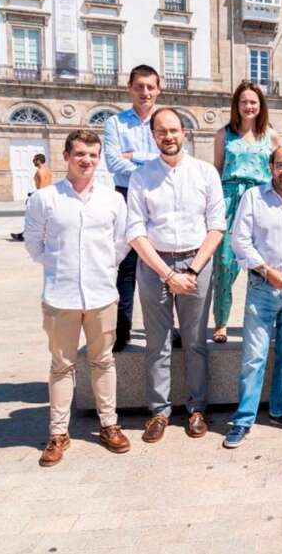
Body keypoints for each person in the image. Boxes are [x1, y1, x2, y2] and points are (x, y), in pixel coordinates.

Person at [23, 130, 130, 466]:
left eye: (93, 155)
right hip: (60, 295)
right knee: (61, 365)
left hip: (101, 294)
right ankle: (58, 433)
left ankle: (109, 425)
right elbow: (33, 244)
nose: (87, 160)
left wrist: (103, 266)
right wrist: (58, 266)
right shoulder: (45, 198)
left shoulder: (112, 199)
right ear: (66, 156)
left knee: (103, 361)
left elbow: (122, 242)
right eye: (80, 154)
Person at [126, 107, 226, 443]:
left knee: (196, 341)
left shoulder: (205, 173)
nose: (168, 136)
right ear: (153, 136)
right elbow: (135, 231)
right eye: (161, 132)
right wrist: (168, 274)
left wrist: (193, 269)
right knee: (157, 343)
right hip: (155, 265)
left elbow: (216, 226)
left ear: (184, 132)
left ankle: (197, 408)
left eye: (173, 130)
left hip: (197, 261)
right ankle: (159, 412)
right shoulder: (142, 177)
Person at [223, 146, 282, 448]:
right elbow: (239, 240)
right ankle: (243, 418)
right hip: (263, 287)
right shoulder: (253, 197)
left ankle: (280, 408)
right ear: (271, 166)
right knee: (254, 356)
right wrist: (266, 270)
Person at [211, 81, 279, 344]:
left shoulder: (270, 136)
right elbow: (216, 170)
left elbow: (278, 170)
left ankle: (264, 320)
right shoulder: (223, 135)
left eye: (253, 102)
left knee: (264, 262)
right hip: (230, 201)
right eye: (244, 102)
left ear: (260, 106)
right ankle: (221, 322)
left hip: (260, 202)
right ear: (236, 106)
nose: (249, 106)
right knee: (225, 264)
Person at [102, 64, 163, 352]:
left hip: (159, 195)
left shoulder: (164, 120)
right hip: (125, 195)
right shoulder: (115, 123)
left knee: (164, 262)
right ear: (129, 88)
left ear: (158, 89)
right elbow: (114, 163)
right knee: (126, 267)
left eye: (150, 87)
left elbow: (171, 156)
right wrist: (150, 165)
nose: (145, 92)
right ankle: (122, 329)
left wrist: (135, 156)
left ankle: (166, 328)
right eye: (139, 86)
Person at [10, 153, 53, 241]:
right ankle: (25, 235)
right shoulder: (48, 171)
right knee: (42, 218)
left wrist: (35, 196)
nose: (33, 162)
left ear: (39, 160)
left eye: (34, 160)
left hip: (41, 196)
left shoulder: (40, 171)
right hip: (48, 195)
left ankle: (24, 236)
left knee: (32, 218)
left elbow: (41, 185)